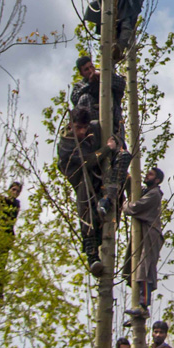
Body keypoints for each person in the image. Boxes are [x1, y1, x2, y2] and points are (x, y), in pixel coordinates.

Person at [57, 107, 131, 276]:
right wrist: (106, 149)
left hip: (100, 175)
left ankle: (109, 201)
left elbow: (117, 141)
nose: (81, 131)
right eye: (78, 127)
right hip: (81, 176)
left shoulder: (95, 128)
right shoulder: (66, 143)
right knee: (87, 210)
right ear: (71, 125)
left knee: (123, 161)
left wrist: (115, 146)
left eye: (84, 127)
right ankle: (92, 256)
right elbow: (86, 162)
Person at [123, 167, 165, 315]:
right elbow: (134, 191)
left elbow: (135, 207)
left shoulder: (154, 195)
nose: (147, 176)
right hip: (143, 232)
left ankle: (143, 305)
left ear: (157, 180)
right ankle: (137, 304)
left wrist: (125, 205)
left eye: (151, 175)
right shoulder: (146, 192)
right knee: (134, 267)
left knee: (144, 268)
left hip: (150, 233)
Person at [71, 56, 127, 137]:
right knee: (85, 98)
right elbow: (75, 100)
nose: (90, 71)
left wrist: (104, 76)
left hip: (113, 122)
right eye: (86, 69)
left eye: (91, 67)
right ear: (81, 74)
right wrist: (89, 84)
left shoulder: (105, 78)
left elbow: (121, 84)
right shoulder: (80, 86)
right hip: (90, 126)